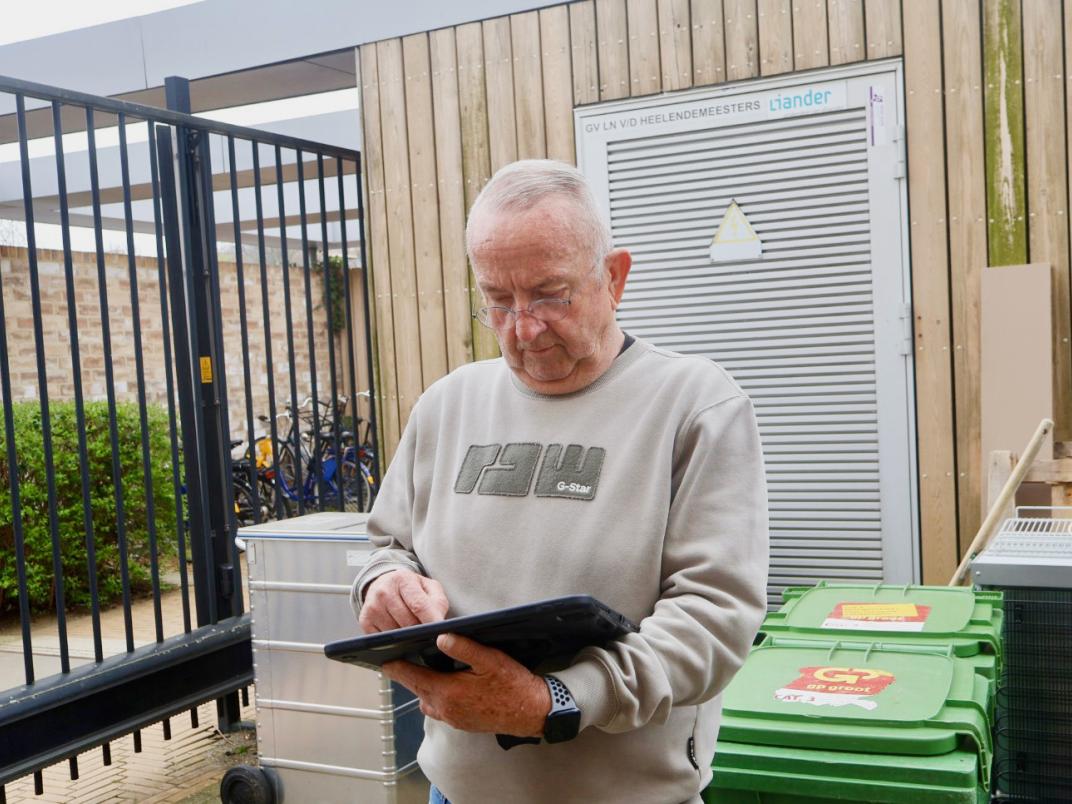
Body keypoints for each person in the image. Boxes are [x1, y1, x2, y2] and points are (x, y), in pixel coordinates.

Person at [351, 159, 769, 804]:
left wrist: (560, 700)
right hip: (456, 792)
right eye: (497, 301)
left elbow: (715, 615)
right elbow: (388, 545)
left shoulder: (696, 406)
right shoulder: (446, 404)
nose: (524, 327)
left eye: (551, 293)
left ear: (614, 277)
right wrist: (386, 584)